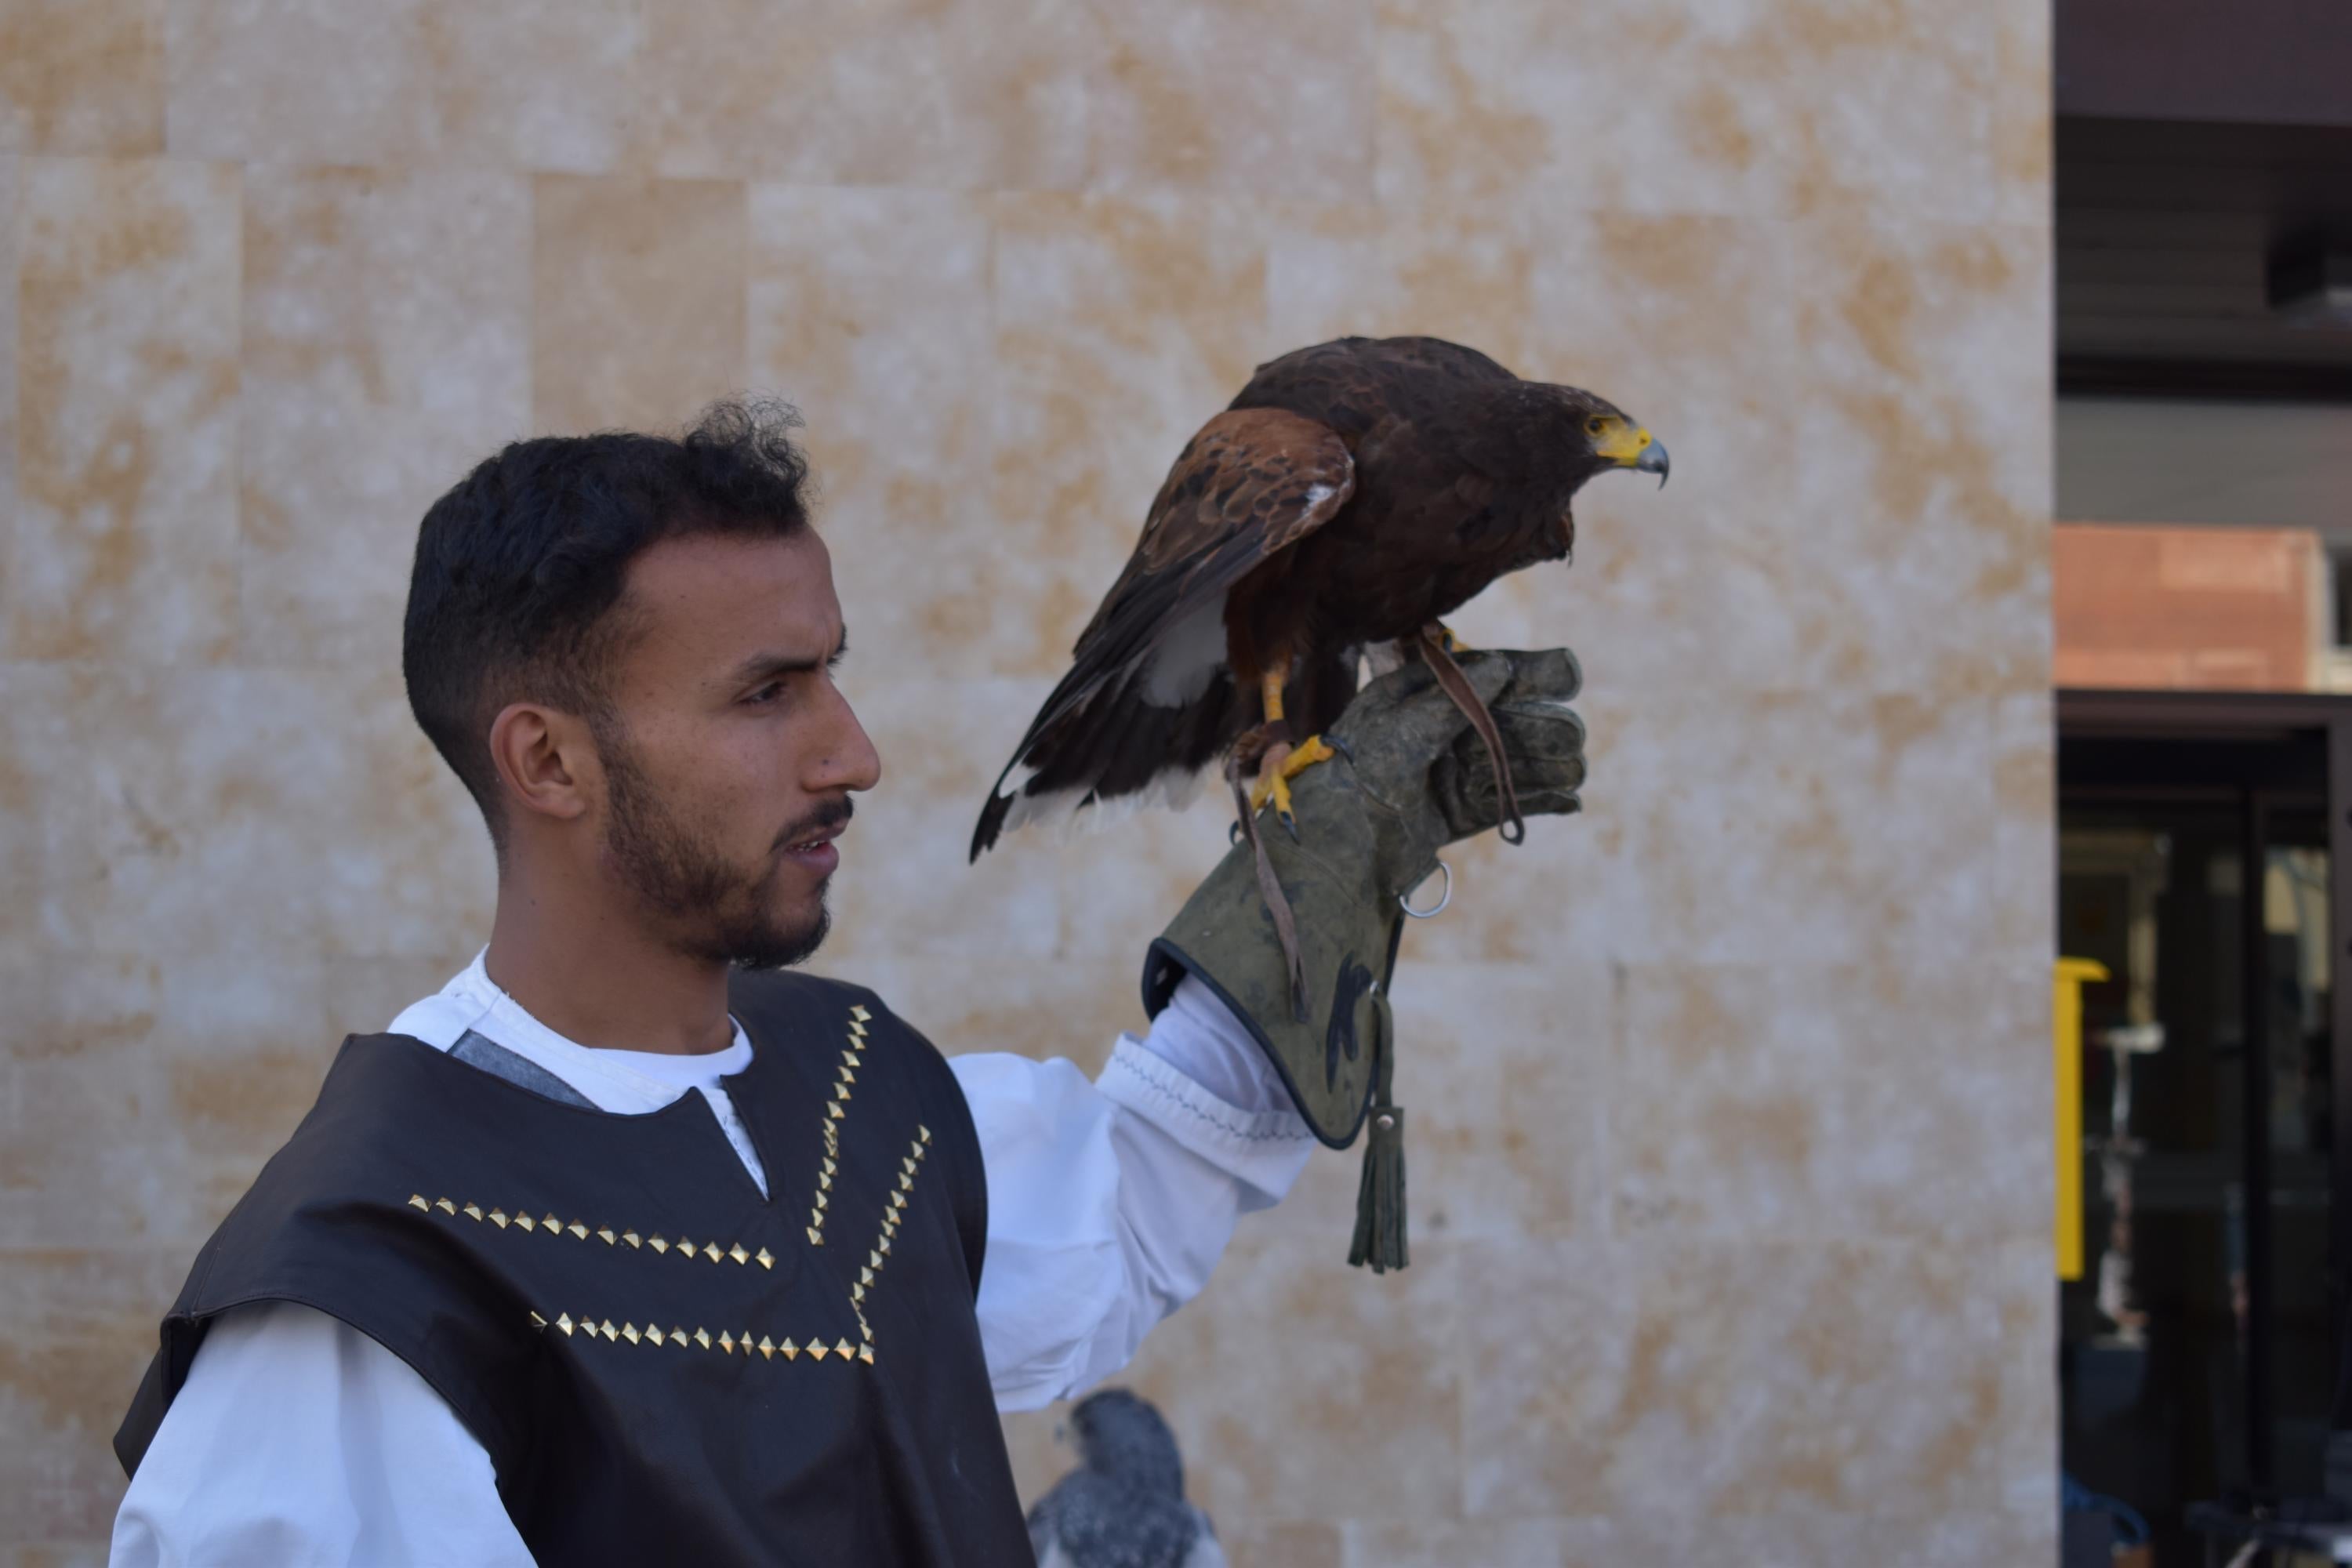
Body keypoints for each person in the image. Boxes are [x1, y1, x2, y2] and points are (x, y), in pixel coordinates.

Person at [107, 401, 1586, 1566]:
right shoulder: (363, 1296)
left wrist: (1321, 883)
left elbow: (1121, 1204)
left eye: (831, 672)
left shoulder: (848, 1084)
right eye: (767, 694)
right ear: (546, 760)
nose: (852, 753)